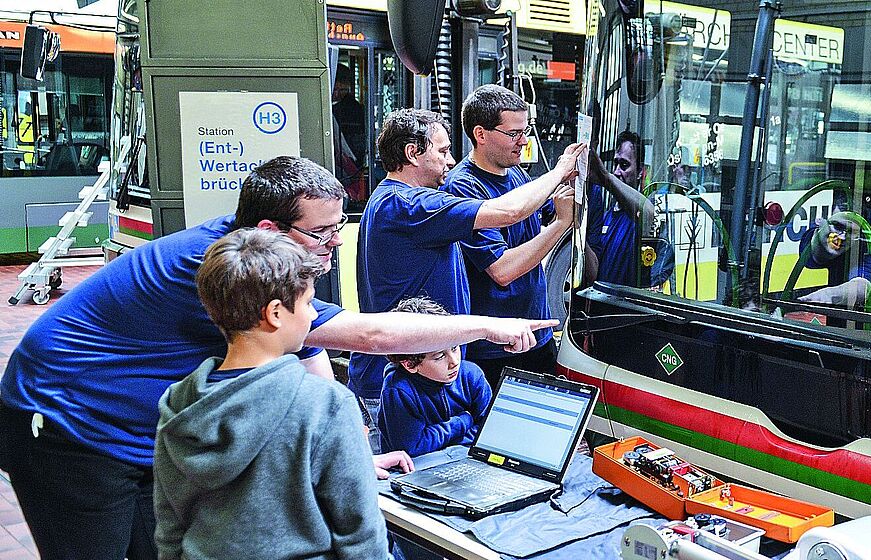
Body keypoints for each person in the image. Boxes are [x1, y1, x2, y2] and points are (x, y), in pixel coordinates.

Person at [0, 156, 552, 560]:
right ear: (270, 230)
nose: (335, 242)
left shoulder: (256, 264)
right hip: (62, 425)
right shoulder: (221, 268)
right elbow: (371, 335)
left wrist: (358, 450)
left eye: (339, 227)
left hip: (134, 431)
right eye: (322, 232)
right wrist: (490, 326)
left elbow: (311, 345)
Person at [353, 108, 583, 451]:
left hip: (417, 372)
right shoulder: (411, 205)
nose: (450, 161)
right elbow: (509, 212)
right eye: (442, 151)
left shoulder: (390, 200)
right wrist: (562, 171)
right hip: (404, 379)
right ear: (412, 154)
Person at [154, 229, 388, 559]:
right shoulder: (326, 405)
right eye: (308, 302)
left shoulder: (178, 401)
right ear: (275, 313)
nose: (313, 314)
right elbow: (362, 537)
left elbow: (170, 526)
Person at [444, 84, 574, 384]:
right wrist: (561, 224)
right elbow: (502, 270)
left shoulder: (516, 172)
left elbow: (542, 217)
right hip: (495, 349)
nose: (523, 141)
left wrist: (566, 195)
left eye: (525, 130)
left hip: (535, 335)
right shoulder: (463, 188)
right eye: (514, 133)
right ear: (481, 134)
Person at [378, 297, 493, 457]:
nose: (454, 362)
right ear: (410, 364)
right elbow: (412, 448)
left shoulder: (472, 376)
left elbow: (488, 433)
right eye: (440, 356)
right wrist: (462, 422)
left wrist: (452, 447)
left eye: (454, 347)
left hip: (466, 460)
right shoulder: (398, 390)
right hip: (418, 470)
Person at [584, 131, 666, 286]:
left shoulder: (641, 213)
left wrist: (605, 177)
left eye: (624, 165)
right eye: (615, 163)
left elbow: (650, 214)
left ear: (640, 172)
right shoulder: (607, 216)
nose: (616, 171)